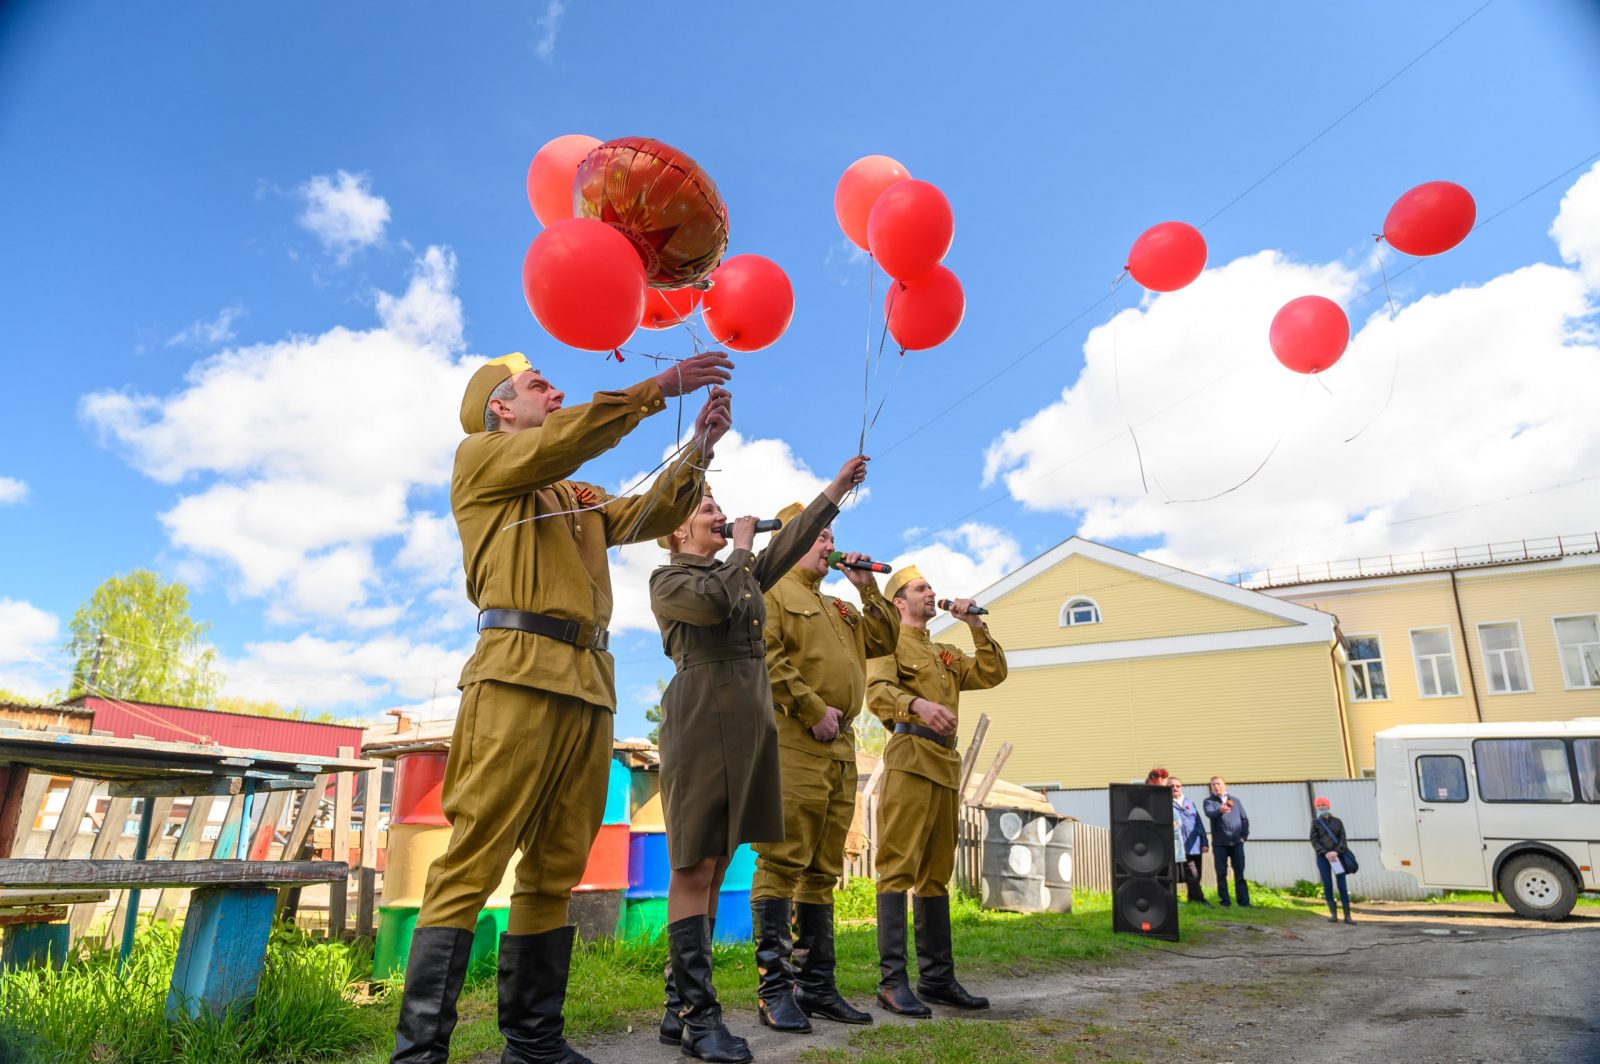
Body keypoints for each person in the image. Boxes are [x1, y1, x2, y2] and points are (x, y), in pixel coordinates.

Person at [392, 350, 734, 1064]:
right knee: (474, 857)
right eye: (537, 386)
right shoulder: (481, 460)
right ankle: (420, 1053)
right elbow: (567, 437)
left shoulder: (571, 493)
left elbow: (647, 514)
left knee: (556, 866)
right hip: (515, 677)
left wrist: (697, 451)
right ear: (500, 409)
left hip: (587, 685)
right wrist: (651, 391)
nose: (556, 393)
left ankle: (533, 1041)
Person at [650, 455, 871, 1064]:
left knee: (718, 864)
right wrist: (743, 549)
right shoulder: (669, 582)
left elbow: (791, 542)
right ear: (675, 530)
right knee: (694, 864)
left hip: (747, 727)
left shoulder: (740, 573)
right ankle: (699, 1016)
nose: (721, 516)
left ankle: (677, 1008)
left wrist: (835, 488)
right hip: (701, 721)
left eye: (719, 507)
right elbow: (718, 603)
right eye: (706, 510)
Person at [747, 506, 898, 1032]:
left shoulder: (837, 606)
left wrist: (866, 589)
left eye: (830, 534)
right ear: (790, 542)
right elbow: (763, 656)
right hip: (794, 738)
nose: (827, 540)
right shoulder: (772, 591)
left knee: (821, 869)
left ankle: (815, 986)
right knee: (783, 860)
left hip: (841, 748)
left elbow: (885, 640)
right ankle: (773, 989)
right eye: (816, 533)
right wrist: (812, 709)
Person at [866, 569, 1007, 1017]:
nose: (932, 593)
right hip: (910, 755)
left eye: (931, 588)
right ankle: (892, 982)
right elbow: (878, 692)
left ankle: (938, 979)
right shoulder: (886, 642)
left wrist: (976, 626)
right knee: (898, 867)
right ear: (899, 602)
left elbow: (992, 673)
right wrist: (917, 705)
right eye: (921, 589)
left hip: (947, 763)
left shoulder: (944, 651)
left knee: (936, 872)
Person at [1202, 776, 1250, 908]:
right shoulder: (1209, 801)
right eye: (1213, 785)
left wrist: (1243, 837)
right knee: (1221, 873)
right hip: (1219, 844)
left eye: (1218, 784)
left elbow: (1244, 820)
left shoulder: (1235, 801)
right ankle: (1225, 902)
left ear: (1225, 785)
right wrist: (1220, 810)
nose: (1216, 786)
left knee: (1239, 873)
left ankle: (1244, 902)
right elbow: (1210, 814)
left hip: (1236, 843)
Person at [1311, 796, 1355, 924]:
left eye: (1323, 805)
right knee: (1327, 884)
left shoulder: (1338, 822)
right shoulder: (1315, 823)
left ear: (1328, 806)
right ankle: (1333, 914)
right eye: (1318, 805)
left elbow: (1343, 839)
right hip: (1323, 858)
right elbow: (1314, 840)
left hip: (1337, 857)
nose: (1321, 807)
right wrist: (1325, 853)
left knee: (1342, 884)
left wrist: (1336, 852)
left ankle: (1347, 916)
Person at [1169, 779, 1209, 905]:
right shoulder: (1165, 804)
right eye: (1171, 786)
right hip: (1180, 845)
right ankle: (1201, 900)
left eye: (1177, 786)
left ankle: (1193, 899)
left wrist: (1204, 841)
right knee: (1192, 873)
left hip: (1195, 843)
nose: (1175, 788)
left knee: (1198, 874)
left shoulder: (1189, 802)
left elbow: (1199, 823)